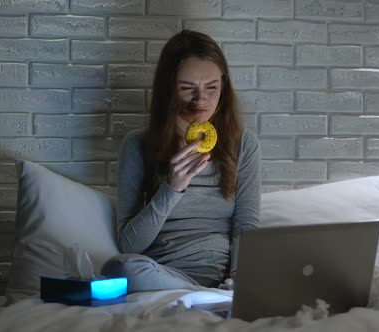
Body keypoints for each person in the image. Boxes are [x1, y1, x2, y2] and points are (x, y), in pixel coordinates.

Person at [100, 30, 261, 292]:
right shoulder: (137, 145)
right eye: (187, 89)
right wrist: (172, 188)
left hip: (222, 275)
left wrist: (239, 274)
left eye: (212, 88)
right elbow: (129, 245)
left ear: (224, 86)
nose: (201, 100)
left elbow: (246, 224)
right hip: (162, 274)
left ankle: (217, 294)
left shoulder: (243, 144)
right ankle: (206, 297)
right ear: (168, 89)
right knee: (120, 268)